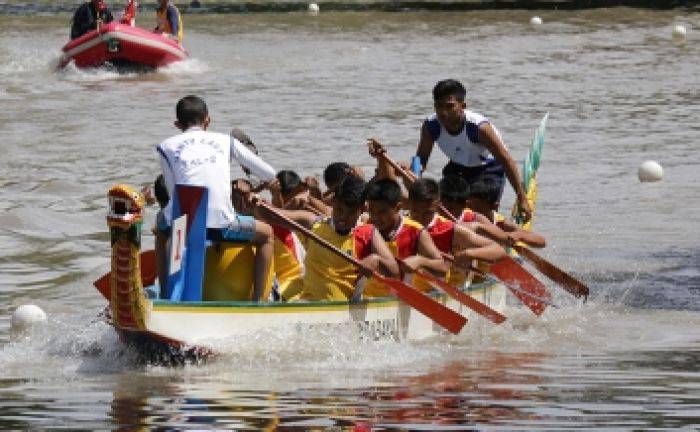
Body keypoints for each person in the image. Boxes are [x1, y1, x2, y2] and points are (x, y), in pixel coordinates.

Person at [156, 95, 277, 301]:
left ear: (177, 124)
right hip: (224, 226)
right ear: (208, 120)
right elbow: (269, 174)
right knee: (267, 234)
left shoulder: (165, 146)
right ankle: (258, 301)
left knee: (160, 229)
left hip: (183, 226)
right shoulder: (226, 141)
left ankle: (167, 296)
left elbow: (173, 192)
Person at [255, 175, 399, 301]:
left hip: (344, 309)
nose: (343, 217)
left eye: (350, 213)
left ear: (361, 210)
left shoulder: (368, 233)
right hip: (308, 303)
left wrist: (376, 260)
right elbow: (268, 215)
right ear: (333, 203)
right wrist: (256, 202)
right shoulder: (312, 223)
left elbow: (395, 271)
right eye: (339, 209)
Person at [415, 79, 532, 221]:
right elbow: (421, 159)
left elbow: (506, 160)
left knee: (477, 208)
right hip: (457, 167)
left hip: (489, 169)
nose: (443, 113)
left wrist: (521, 198)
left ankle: (492, 226)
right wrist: (415, 185)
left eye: (449, 106)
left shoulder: (478, 128)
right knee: (445, 206)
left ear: (462, 106)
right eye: (438, 106)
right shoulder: (430, 126)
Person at [362, 179, 448, 296]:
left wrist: (421, 261)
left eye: (382, 212)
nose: (375, 217)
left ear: (398, 208)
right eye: (371, 211)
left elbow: (442, 267)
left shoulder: (416, 231)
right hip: (366, 298)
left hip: (400, 300)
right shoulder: (364, 227)